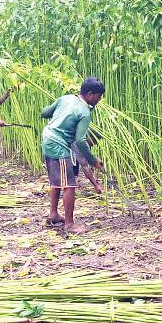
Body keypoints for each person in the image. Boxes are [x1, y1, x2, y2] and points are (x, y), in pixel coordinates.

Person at [41, 77, 106, 233]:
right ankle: (69, 224)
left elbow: (44, 113)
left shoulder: (66, 98)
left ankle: (54, 215)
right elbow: (81, 141)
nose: (99, 100)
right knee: (69, 185)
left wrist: (62, 117)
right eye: (98, 96)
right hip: (59, 145)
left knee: (56, 181)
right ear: (90, 94)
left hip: (47, 138)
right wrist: (94, 160)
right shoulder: (84, 112)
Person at [70, 129, 103, 194]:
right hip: (55, 153)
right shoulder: (81, 143)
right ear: (90, 137)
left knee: (74, 162)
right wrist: (96, 185)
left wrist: (95, 161)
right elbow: (85, 166)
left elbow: (84, 157)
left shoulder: (80, 138)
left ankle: (70, 186)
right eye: (95, 140)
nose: (96, 144)